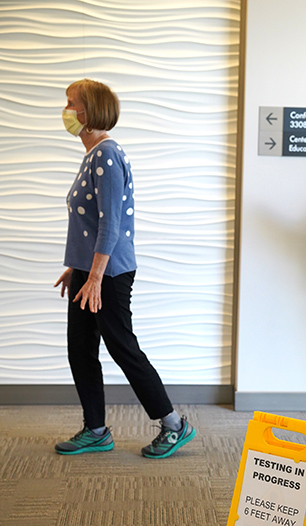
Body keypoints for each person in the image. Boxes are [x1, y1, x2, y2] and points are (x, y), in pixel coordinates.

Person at [54, 79, 196, 457]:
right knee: (80, 349)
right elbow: (89, 223)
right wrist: (78, 269)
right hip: (90, 269)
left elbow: (111, 224)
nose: (66, 111)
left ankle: (174, 424)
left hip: (110, 273)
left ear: (90, 112)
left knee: (123, 348)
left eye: (72, 104)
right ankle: (96, 429)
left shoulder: (106, 155)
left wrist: (96, 275)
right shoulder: (93, 155)